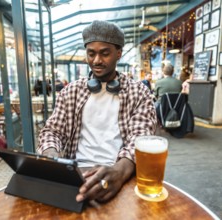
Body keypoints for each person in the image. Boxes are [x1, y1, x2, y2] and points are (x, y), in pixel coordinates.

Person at [37, 20, 157, 203]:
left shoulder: (139, 92)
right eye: (91, 54)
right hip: (77, 174)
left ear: (118, 54)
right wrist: (51, 154)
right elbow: (52, 131)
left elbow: (140, 139)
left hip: (120, 173)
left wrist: (119, 171)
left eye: (105, 53)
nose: (97, 61)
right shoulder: (71, 91)